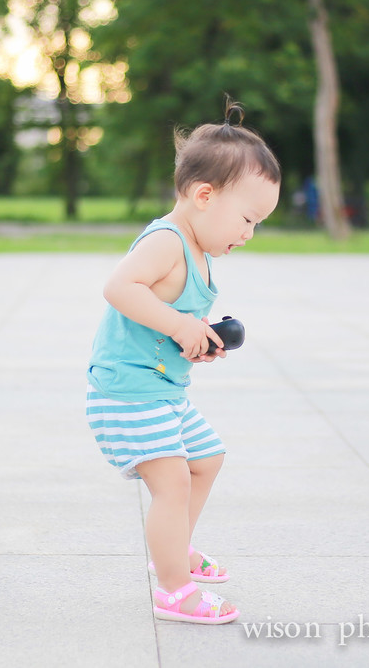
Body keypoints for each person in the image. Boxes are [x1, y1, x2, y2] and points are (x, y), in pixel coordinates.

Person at [86, 99, 281, 625]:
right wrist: (179, 325)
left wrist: (194, 341)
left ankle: (175, 547)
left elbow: (163, 319)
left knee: (207, 458)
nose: (249, 233)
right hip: (126, 392)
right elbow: (118, 287)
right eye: (247, 218)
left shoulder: (197, 251)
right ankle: (173, 588)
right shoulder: (167, 241)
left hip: (161, 390)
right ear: (203, 196)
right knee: (172, 483)